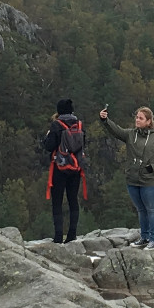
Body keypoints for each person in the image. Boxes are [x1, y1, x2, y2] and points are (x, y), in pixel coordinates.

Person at [99, 103, 154, 248]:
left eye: (141, 118)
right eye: (137, 117)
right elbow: (116, 131)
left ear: (149, 121)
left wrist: (152, 168)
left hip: (151, 181)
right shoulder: (131, 134)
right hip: (133, 180)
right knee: (141, 210)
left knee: (152, 209)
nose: (137, 120)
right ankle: (144, 237)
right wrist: (105, 120)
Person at [41, 98, 88, 243]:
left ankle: (58, 236)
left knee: (57, 201)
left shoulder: (56, 125)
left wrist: (47, 136)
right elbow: (83, 144)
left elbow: (49, 146)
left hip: (59, 168)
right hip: (76, 168)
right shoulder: (79, 125)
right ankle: (72, 235)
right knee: (73, 200)